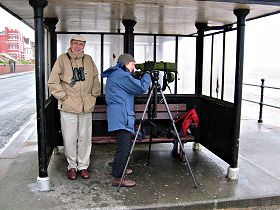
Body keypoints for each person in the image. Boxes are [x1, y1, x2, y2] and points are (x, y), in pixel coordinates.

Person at [48, 34, 101, 180]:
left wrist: (94, 95)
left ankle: (83, 166)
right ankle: (72, 166)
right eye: (76, 43)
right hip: (68, 107)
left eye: (81, 44)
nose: (78, 46)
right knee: (70, 138)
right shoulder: (62, 59)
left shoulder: (88, 59)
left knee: (85, 138)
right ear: (71, 44)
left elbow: (96, 78)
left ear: (84, 46)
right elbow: (52, 82)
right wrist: (63, 97)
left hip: (86, 106)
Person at [101, 54, 151, 187]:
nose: (134, 68)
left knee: (124, 145)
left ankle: (120, 169)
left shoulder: (117, 74)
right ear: (126, 63)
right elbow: (141, 88)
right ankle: (117, 178)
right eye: (132, 65)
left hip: (120, 115)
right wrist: (147, 74)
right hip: (121, 116)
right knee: (123, 147)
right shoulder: (121, 75)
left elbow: (131, 87)